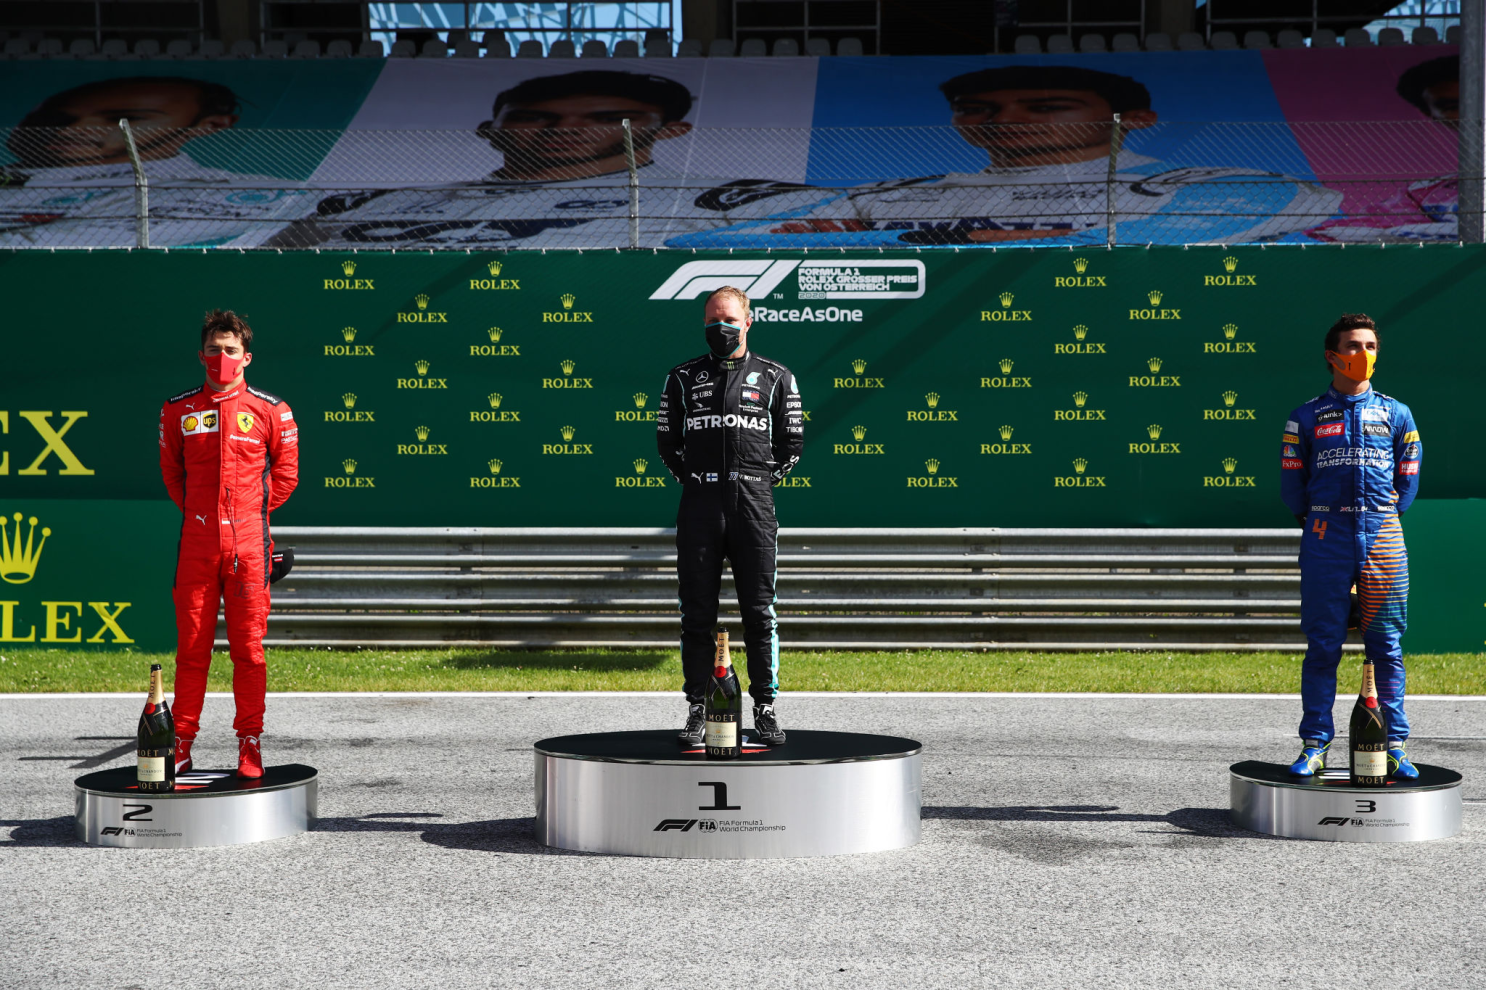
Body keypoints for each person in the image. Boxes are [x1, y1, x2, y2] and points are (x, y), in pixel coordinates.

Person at [671, 64, 1341, 248]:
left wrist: (900, 240)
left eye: (1043, 108)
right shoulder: (898, 186)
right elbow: (760, 245)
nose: (1006, 122)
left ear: (1133, 121)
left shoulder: (1215, 179)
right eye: (980, 110)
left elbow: (1210, 230)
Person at [273, 69, 828, 249]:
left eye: (607, 116)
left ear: (673, 130)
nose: (566, 129)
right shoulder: (372, 203)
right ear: (490, 131)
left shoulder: (728, 199)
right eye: (535, 117)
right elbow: (269, 262)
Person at [656, 285, 804, 746]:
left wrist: (756, 480)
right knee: (696, 615)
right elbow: (667, 444)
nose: (719, 329)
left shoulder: (778, 376)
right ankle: (698, 708)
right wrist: (698, 479)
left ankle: (765, 708)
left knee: (760, 612)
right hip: (700, 506)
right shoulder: (681, 377)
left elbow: (792, 445)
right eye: (711, 322)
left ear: (747, 322)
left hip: (754, 508)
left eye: (728, 320)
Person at [1279, 313, 1420, 779]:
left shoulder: (1397, 413)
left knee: (1388, 645)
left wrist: (1381, 517)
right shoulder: (1305, 416)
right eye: (1355, 346)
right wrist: (1319, 521)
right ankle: (1314, 744)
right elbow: (1291, 484)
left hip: (1382, 534)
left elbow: (1410, 476)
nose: (1364, 355)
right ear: (1332, 356)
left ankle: (1395, 745)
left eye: (1371, 346)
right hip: (1325, 536)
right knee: (1322, 646)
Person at [159, 310, 299, 778]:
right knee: (192, 651)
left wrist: (248, 516)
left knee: (249, 651)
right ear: (202, 355)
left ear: (247, 357)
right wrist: (206, 516)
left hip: (249, 546)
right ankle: (180, 743)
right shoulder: (177, 409)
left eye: (231, 350)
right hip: (196, 545)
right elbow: (173, 475)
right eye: (215, 350)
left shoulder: (271, 409)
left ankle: (250, 743)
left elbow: (286, 475)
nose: (222, 358)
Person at [0, 76, 308, 248]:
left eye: (124, 119)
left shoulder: (259, 194)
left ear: (213, 124)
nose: (73, 129)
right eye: (55, 117)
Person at [1310, 55, 1459, 243]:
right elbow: (1353, 230)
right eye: (1454, 106)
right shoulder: (1422, 194)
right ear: (1430, 113)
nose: (1475, 111)